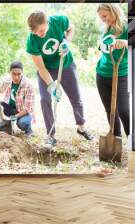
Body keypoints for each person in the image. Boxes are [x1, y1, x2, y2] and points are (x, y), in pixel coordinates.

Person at [26, 9, 93, 147]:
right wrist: (51, 86)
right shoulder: (32, 40)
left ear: (47, 22)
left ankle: (81, 127)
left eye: (41, 31)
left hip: (65, 64)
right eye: (36, 32)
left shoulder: (59, 20)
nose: (39, 35)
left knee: (76, 97)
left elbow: (71, 28)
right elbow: (41, 68)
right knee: (45, 99)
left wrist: (66, 41)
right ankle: (51, 135)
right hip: (46, 69)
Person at [96, 3, 129, 138]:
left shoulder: (127, 26)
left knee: (123, 110)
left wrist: (125, 43)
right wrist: (100, 44)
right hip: (102, 74)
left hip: (122, 74)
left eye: (105, 16)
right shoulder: (106, 28)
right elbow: (101, 46)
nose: (103, 19)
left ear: (113, 11)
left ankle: (133, 140)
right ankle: (115, 138)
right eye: (101, 17)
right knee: (110, 110)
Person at [0, 61, 34, 136]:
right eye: (13, 74)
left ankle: (28, 129)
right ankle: (7, 127)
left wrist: (15, 117)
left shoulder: (28, 85)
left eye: (19, 74)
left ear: (22, 73)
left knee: (22, 123)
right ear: (10, 72)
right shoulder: (7, 80)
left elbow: (28, 109)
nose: (16, 77)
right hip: (10, 108)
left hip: (23, 112)